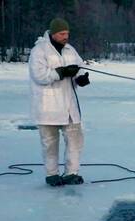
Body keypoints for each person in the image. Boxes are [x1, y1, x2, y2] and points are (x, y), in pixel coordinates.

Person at [28, 17, 90, 187]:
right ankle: (52, 174)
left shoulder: (70, 50)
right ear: (53, 33)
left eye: (67, 33)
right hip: (48, 106)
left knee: (76, 139)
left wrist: (80, 78)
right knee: (50, 143)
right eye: (62, 33)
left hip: (69, 106)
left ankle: (71, 173)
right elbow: (39, 76)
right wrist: (61, 72)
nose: (65, 37)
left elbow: (79, 68)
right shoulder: (39, 51)